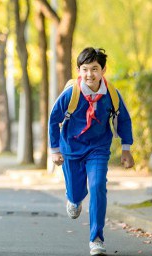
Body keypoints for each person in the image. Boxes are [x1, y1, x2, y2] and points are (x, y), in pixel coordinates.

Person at [48, 47, 134, 256]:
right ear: (79, 70)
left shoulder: (111, 94)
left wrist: (126, 149)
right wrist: (54, 150)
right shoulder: (71, 93)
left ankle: (96, 238)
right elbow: (53, 119)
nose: (89, 74)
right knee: (77, 192)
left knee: (97, 186)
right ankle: (74, 199)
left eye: (94, 69)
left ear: (103, 70)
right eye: (85, 69)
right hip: (71, 148)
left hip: (98, 148)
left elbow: (123, 120)